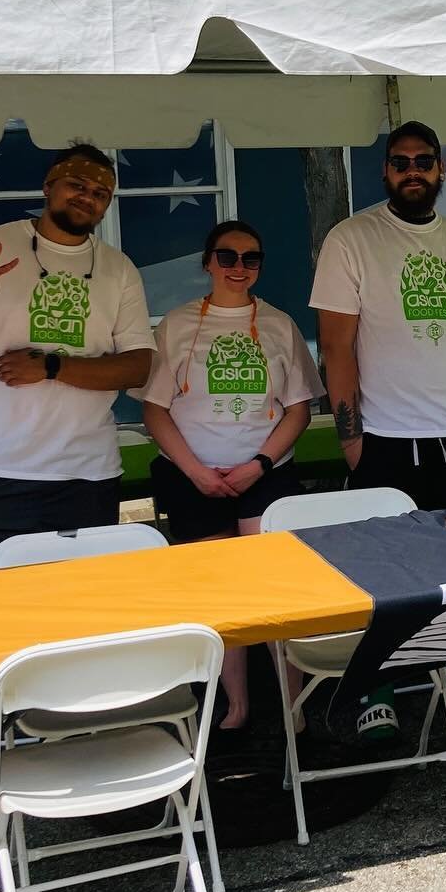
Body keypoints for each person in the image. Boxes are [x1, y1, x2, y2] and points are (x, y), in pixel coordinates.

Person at [311, 121, 446, 739]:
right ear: (386, 171)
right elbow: (336, 348)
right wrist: (351, 437)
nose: (413, 171)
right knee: (388, 571)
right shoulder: (351, 239)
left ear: (442, 169)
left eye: (425, 161)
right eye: (401, 162)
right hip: (386, 436)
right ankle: (379, 682)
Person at [0, 141, 155, 575]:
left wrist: (53, 367)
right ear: (48, 186)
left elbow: (138, 366)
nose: (86, 197)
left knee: (77, 613)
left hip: (84, 475)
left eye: (100, 193)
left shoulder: (118, 269)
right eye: (76, 185)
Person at [140, 219, 324, 731]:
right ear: (207, 263)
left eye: (251, 258)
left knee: (272, 585)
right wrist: (195, 471)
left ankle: (292, 701)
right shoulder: (176, 325)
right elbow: (154, 410)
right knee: (221, 591)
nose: (239, 268)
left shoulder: (279, 324)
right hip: (191, 473)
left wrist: (258, 465)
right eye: (227, 257)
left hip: (262, 471)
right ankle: (235, 704)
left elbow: (298, 409)